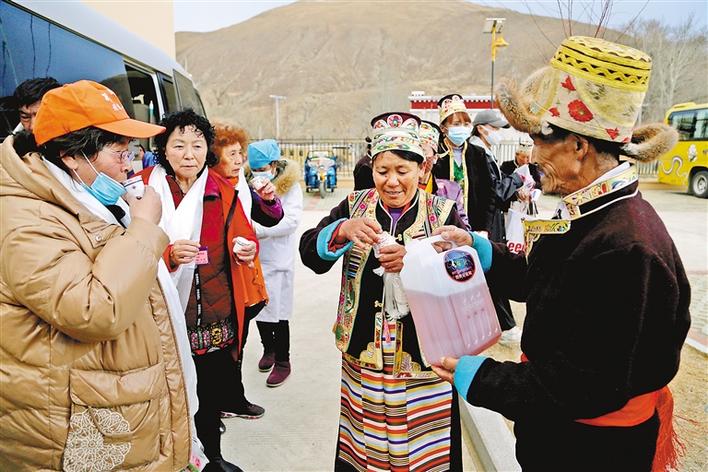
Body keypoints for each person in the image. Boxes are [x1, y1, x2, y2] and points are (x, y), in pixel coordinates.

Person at [432, 36, 690, 471]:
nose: (532, 155)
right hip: (565, 437)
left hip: (592, 450)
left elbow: (584, 384)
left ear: (578, 146)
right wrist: (479, 247)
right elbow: (547, 284)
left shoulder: (628, 247)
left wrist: (482, 378)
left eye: (539, 142)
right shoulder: (593, 211)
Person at [0, 80, 194, 471]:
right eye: (119, 152)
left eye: (131, 151)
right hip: (72, 420)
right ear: (72, 156)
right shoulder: (25, 218)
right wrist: (143, 228)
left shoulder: (79, 194)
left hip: (105, 400)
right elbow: (93, 309)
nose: (129, 164)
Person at [300, 112, 467, 471]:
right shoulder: (353, 206)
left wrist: (417, 261)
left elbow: (465, 276)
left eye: (402, 170)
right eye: (382, 170)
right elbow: (309, 252)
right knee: (365, 444)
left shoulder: (443, 213)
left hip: (424, 359)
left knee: (425, 450)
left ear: (422, 169)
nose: (391, 181)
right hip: (365, 355)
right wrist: (341, 230)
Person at [139, 109, 283, 472]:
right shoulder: (143, 191)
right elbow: (128, 247)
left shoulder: (223, 190)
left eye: (198, 145)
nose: (189, 154)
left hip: (215, 314)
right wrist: (168, 256)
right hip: (162, 314)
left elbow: (248, 236)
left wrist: (247, 249)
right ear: (163, 149)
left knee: (209, 394)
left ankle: (211, 458)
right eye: (179, 145)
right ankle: (171, 459)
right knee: (166, 393)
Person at [433, 96, 524, 343]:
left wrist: (483, 228)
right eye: (455, 123)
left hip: (475, 227)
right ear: (444, 127)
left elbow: (489, 194)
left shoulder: (477, 154)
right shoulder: (436, 157)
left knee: (477, 273)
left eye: (465, 123)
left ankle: (488, 326)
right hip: (445, 226)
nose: (462, 128)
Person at [247, 140, 304, 387]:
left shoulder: (290, 186)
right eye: (255, 169)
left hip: (279, 258)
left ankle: (283, 361)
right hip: (254, 257)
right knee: (259, 306)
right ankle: (268, 349)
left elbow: (291, 221)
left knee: (279, 311)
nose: (259, 173)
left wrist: (259, 230)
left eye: (263, 169)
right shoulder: (248, 184)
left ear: (274, 164)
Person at [418, 119, 469, 228]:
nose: (418, 158)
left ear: (435, 158)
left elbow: (463, 228)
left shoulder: (451, 190)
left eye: (423, 151)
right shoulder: (398, 188)